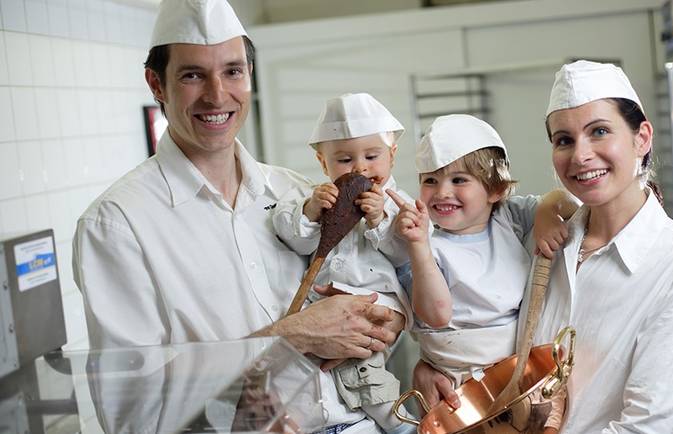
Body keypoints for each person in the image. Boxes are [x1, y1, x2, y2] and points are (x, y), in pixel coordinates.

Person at [72, 1, 404, 432]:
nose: (217, 95)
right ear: (156, 83)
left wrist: (394, 316)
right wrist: (290, 336)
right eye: (192, 74)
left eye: (232, 71)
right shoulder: (117, 224)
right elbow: (131, 409)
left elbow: (372, 274)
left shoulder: (295, 193)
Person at [412, 60, 673, 433]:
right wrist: (431, 366)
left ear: (641, 138)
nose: (580, 155)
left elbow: (646, 426)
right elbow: (486, 331)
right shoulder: (538, 239)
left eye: (600, 131)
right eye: (564, 140)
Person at [389, 114, 577, 433]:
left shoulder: (509, 218)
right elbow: (435, 315)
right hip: (455, 390)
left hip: (515, 376)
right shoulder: (423, 242)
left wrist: (546, 214)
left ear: (496, 190)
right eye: (430, 180)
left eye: (459, 180)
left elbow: (565, 199)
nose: (442, 192)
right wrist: (419, 246)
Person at [272, 92, 415, 434]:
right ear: (323, 163)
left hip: (372, 304)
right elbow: (293, 236)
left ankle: (403, 425)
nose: (360, 168)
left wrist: (380, 221)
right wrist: (310, 212)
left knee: (364, 375)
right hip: (321, 304)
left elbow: (405, 254)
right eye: (344, 159)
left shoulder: (397, 203)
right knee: (311, 369)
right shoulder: (315, 197)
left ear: (392, 155)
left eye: (372, 155)